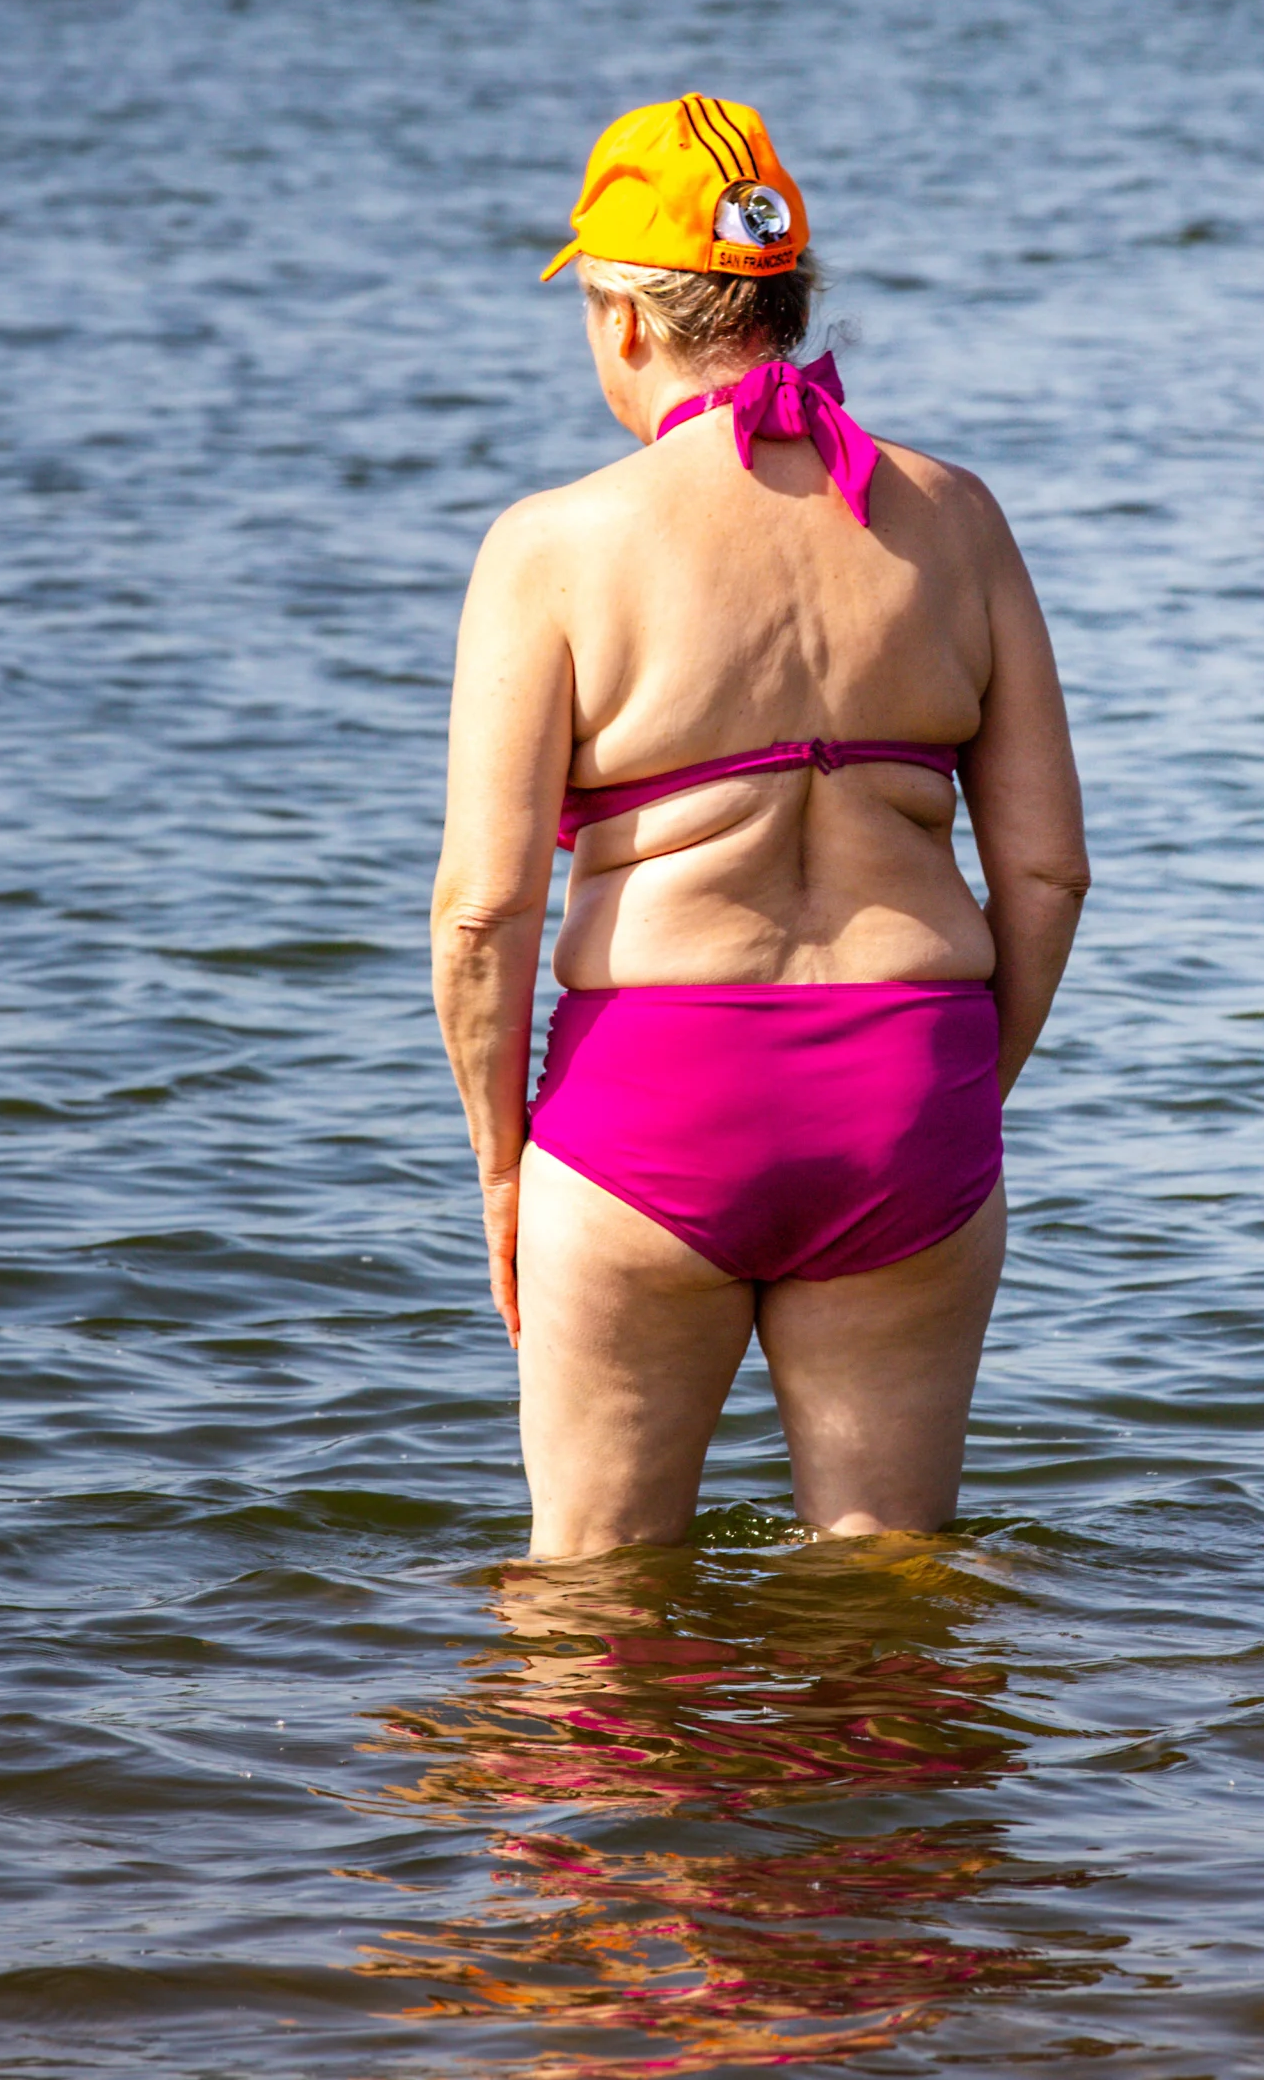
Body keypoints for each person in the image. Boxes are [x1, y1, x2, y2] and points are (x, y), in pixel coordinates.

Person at [430, 95, 1088, 1561]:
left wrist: (501, 1170)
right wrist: (962, 1089)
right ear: (785, 303)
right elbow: (1047, 870)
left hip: (650, 1103)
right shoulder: (958, 518)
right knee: (892, 1599)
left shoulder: (554, 545)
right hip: (905, 1087)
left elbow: (484, 911)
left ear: (624, 319)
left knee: (591, 1605)